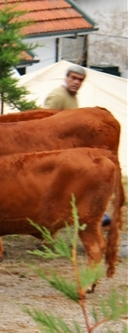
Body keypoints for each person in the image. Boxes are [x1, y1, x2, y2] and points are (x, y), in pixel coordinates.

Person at [43, 65, 111, 227]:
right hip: (55, 152)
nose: (75, 82)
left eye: (80, 80)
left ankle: (90, 213)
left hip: (69, 152)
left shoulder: (73, 97)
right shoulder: (57, 95)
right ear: (66, 78)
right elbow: (44, 125)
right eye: (73, 78)